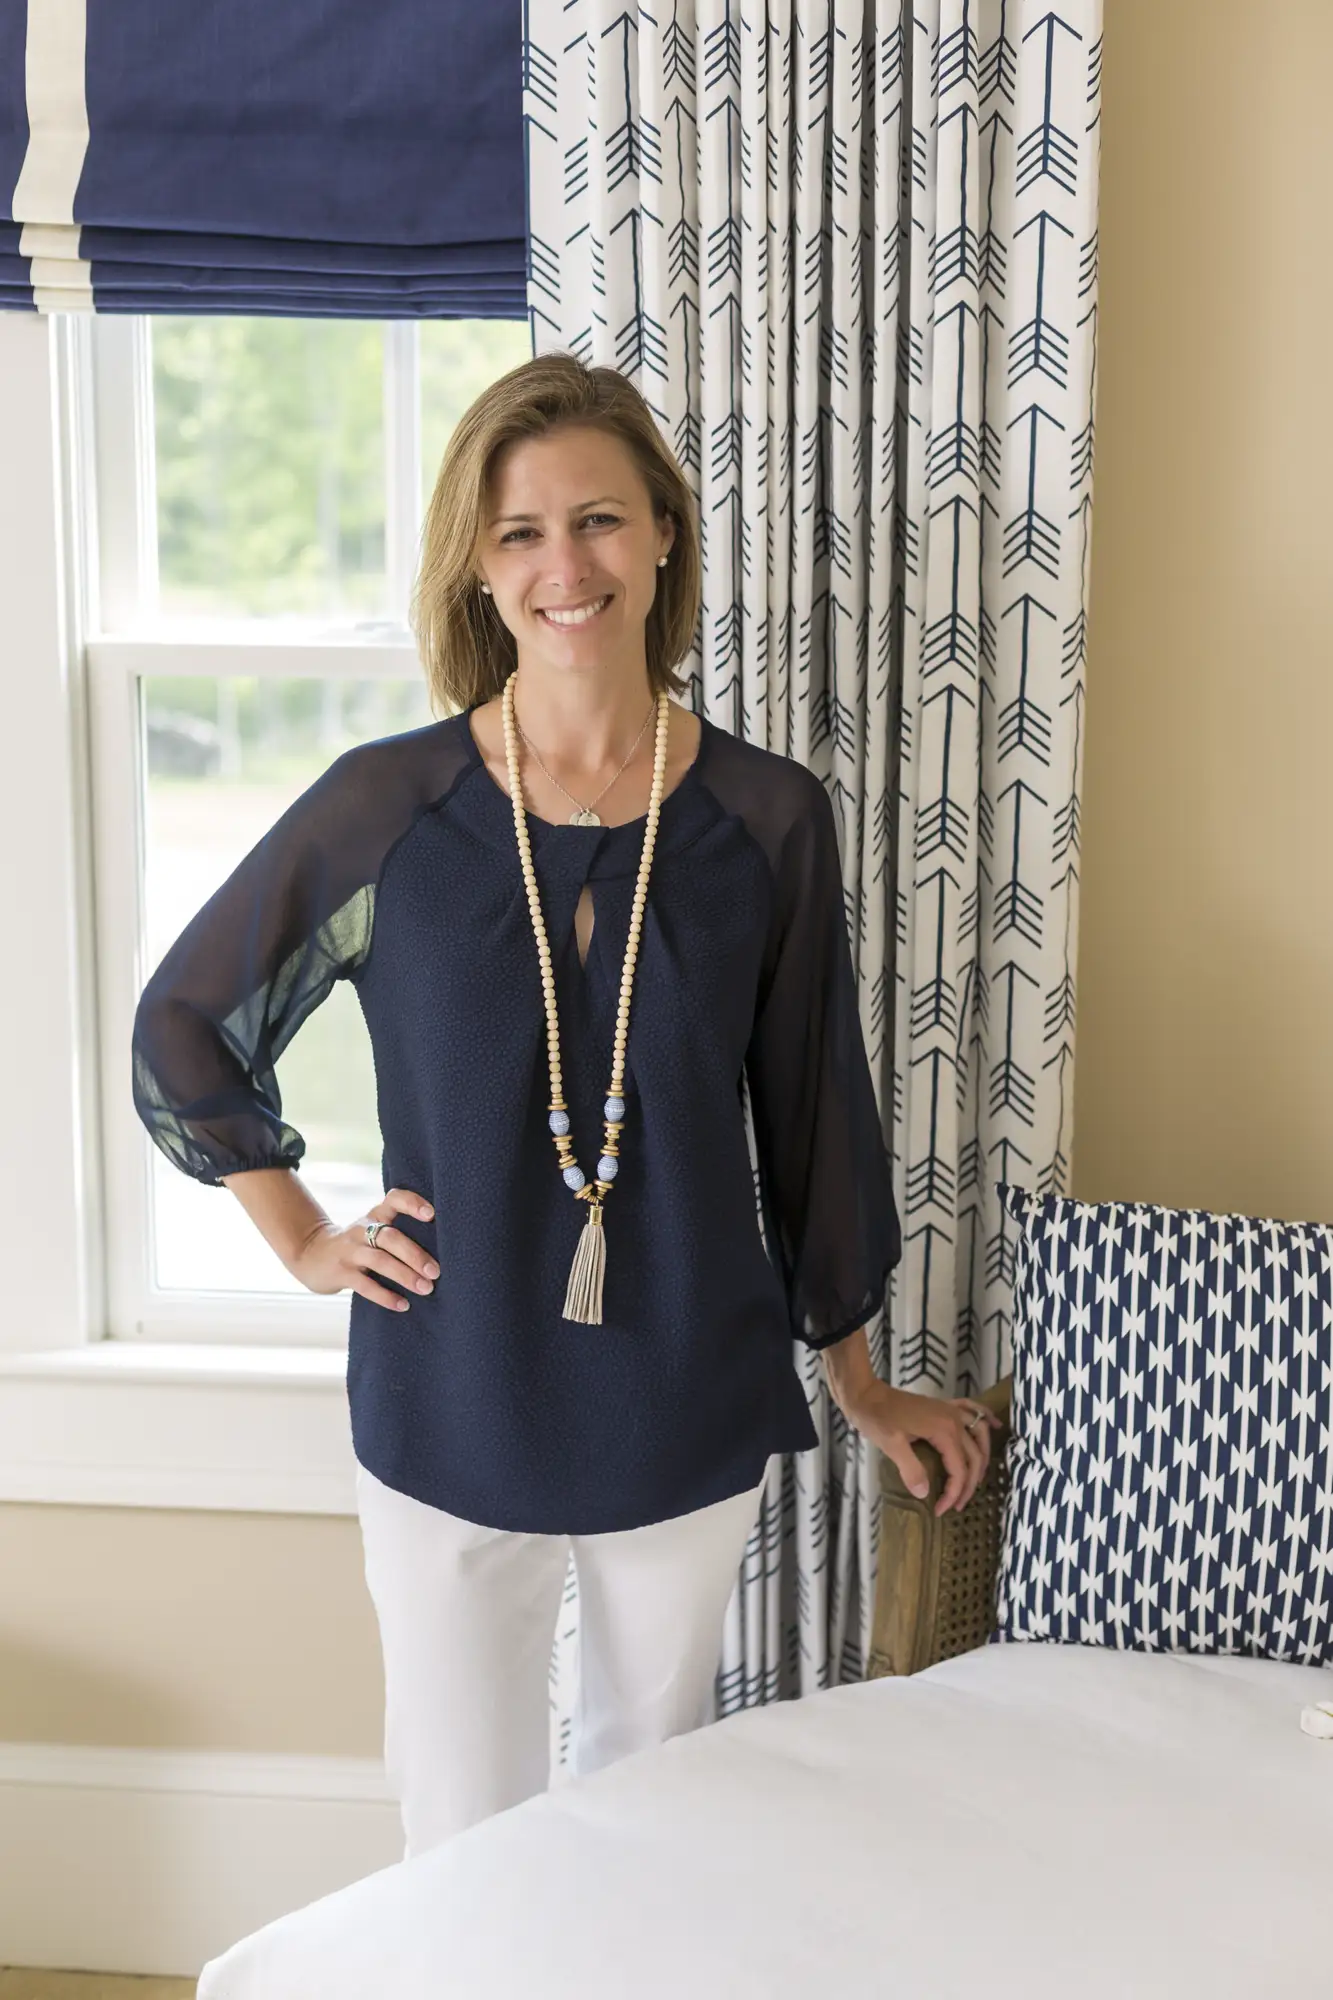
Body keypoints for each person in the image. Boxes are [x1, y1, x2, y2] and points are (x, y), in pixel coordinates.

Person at [132, 353, 999, 1859]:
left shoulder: (765, 817)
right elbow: (185, 1021)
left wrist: (857, 1377)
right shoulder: (386, 806)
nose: (565, 566)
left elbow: (811, 1113)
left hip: (679, 1381)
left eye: (598, 521)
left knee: (641, 1816)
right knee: (461, 1826)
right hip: (448, 1380)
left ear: (664, 533)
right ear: (479, 565)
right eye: (522, 532)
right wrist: (300, 1238)